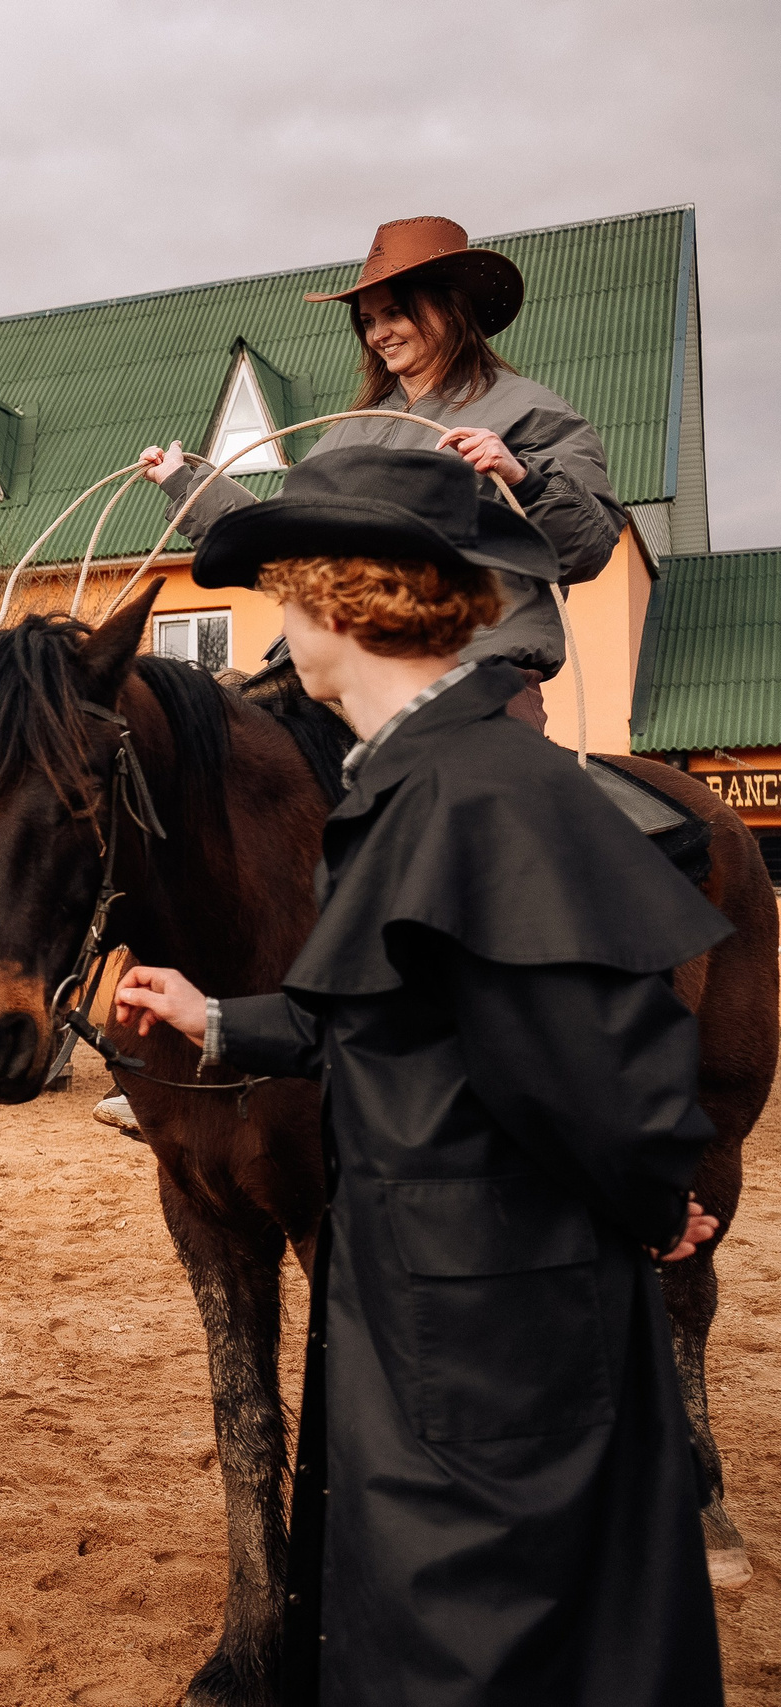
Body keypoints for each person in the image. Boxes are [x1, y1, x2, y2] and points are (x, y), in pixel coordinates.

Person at [112, 444, 730, 1704]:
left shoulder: (482, 791)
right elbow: (405, 1008)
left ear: (348, 602)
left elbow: (593, 1049)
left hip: (495, 1334)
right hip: (432, 1317)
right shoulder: (410, 781)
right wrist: (216, 1018)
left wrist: (659, 1191)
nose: (279, 632)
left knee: (490, 1647)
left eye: (288, 596)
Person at [137, 216, 628, 729]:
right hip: (339, 685)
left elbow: (587, 548)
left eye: (394, 313)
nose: (379, 334)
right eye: (368, 321)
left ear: (448, 308)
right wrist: (185, 484)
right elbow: (288, 550)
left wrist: (523, 476)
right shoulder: (349, 432)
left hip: (473, 678)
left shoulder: (529, 411)